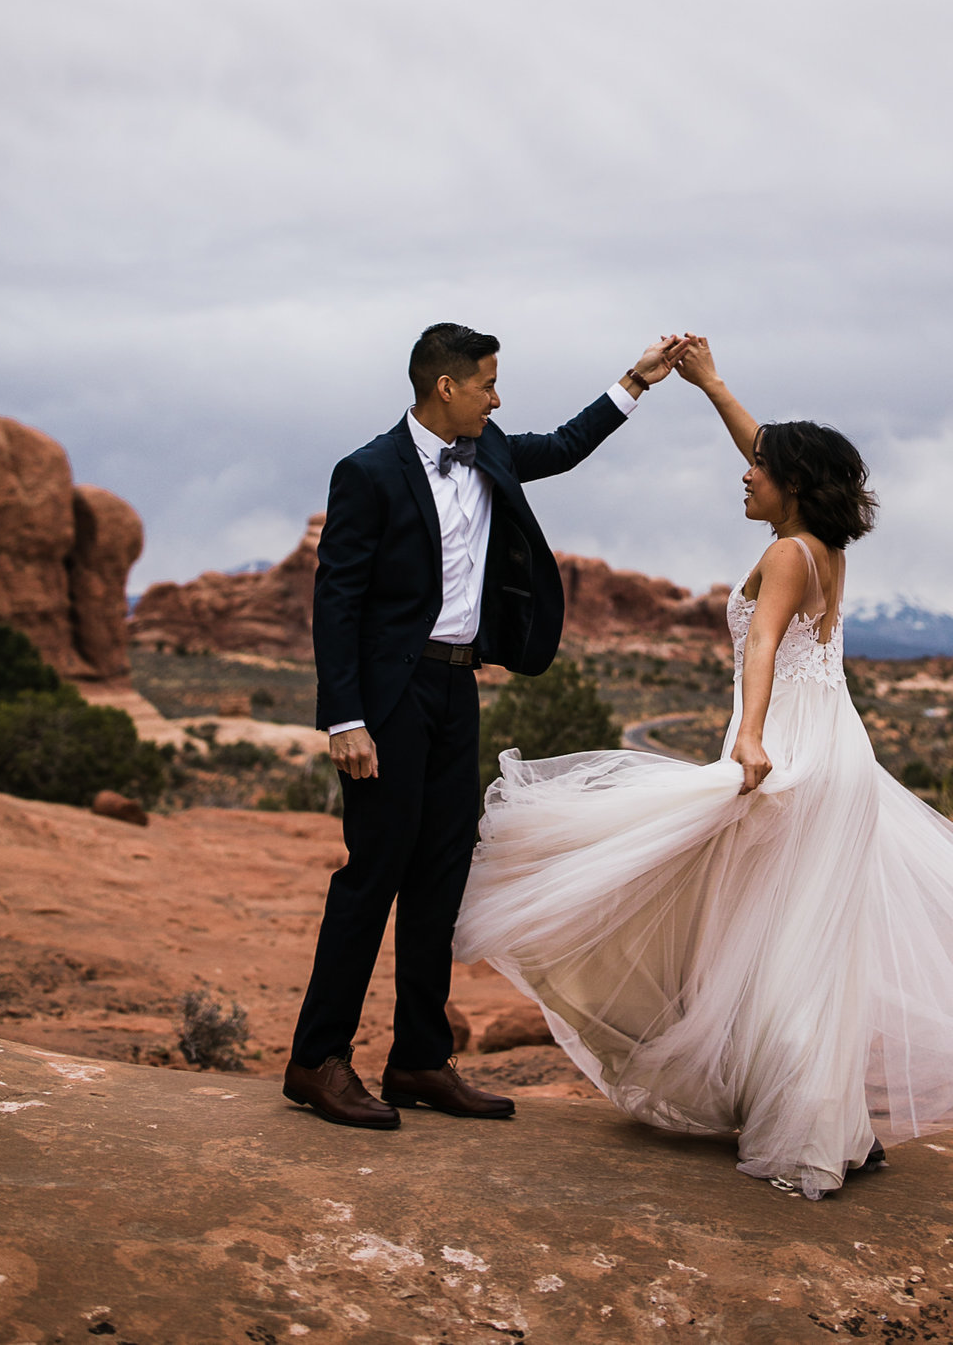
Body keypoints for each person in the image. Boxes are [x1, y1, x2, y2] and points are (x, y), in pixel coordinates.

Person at [451, 336, 953, 1197]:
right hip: (834, 752)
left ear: (791, 485)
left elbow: (765, 645)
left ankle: (806, 1129)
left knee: (765, 936)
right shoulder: (821, 542)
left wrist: (749, 738)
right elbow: (770, 459)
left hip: (792, 755)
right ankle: (831, 1120)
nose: (746, 472)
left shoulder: (785, 554)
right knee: (801, 941)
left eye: (760, 468)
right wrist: (710, 386)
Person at [287, 321, 686, 1129]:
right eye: (487, 384)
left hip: (456, 690)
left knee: (441, 875)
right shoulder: (366, 471)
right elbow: (337, 599)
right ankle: (316, 1060)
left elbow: (567, 445)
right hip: (390, 701)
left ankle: (420, 1060)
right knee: (374, 875)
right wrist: (345, 719)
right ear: (446, 386)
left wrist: (635, 381)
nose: (497, 398)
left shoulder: (491, 447)